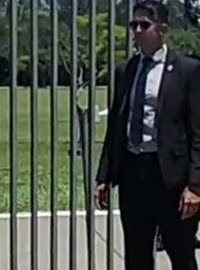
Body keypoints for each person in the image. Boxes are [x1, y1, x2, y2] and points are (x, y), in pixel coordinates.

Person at [95, 1, 200, 270]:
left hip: (171, 180)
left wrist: (195, 186)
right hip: (134, 175)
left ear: (162, 29)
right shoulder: (126, 70)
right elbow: (117, 126)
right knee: (137, 254)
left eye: (145, 24)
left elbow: (198, 132)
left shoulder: (187, 71)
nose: (137, 30)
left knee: (181, 254)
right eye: (134, 24)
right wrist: (105, 176)